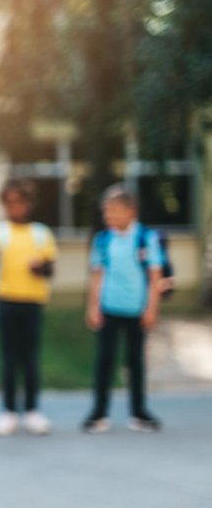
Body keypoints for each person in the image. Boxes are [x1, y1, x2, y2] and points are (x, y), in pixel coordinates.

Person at [0, 180, 57, 437]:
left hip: (33, 300)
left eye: (20, 202)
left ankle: (33, 411)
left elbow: (50, 270)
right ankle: (8, 411)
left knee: (30, 357)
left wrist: (40, 268)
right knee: (9, 357)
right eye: (10, 202)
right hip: (6, 300)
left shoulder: (42, 234)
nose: (15, 207)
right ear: (4, 205)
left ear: (29, 204)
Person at [83, 185, 163, 433]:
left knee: (135, 362)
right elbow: (97, 275)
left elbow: (154, 276)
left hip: (136, 310)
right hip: (109, 308)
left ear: (131, 211)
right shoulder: (103, 240)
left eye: (115, 212)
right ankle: (99, 413)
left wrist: (152, 309)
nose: (110, 218)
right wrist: (92, 306)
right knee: (104, 361)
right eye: (106, 213)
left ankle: (138, 412)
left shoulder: (146, 238)